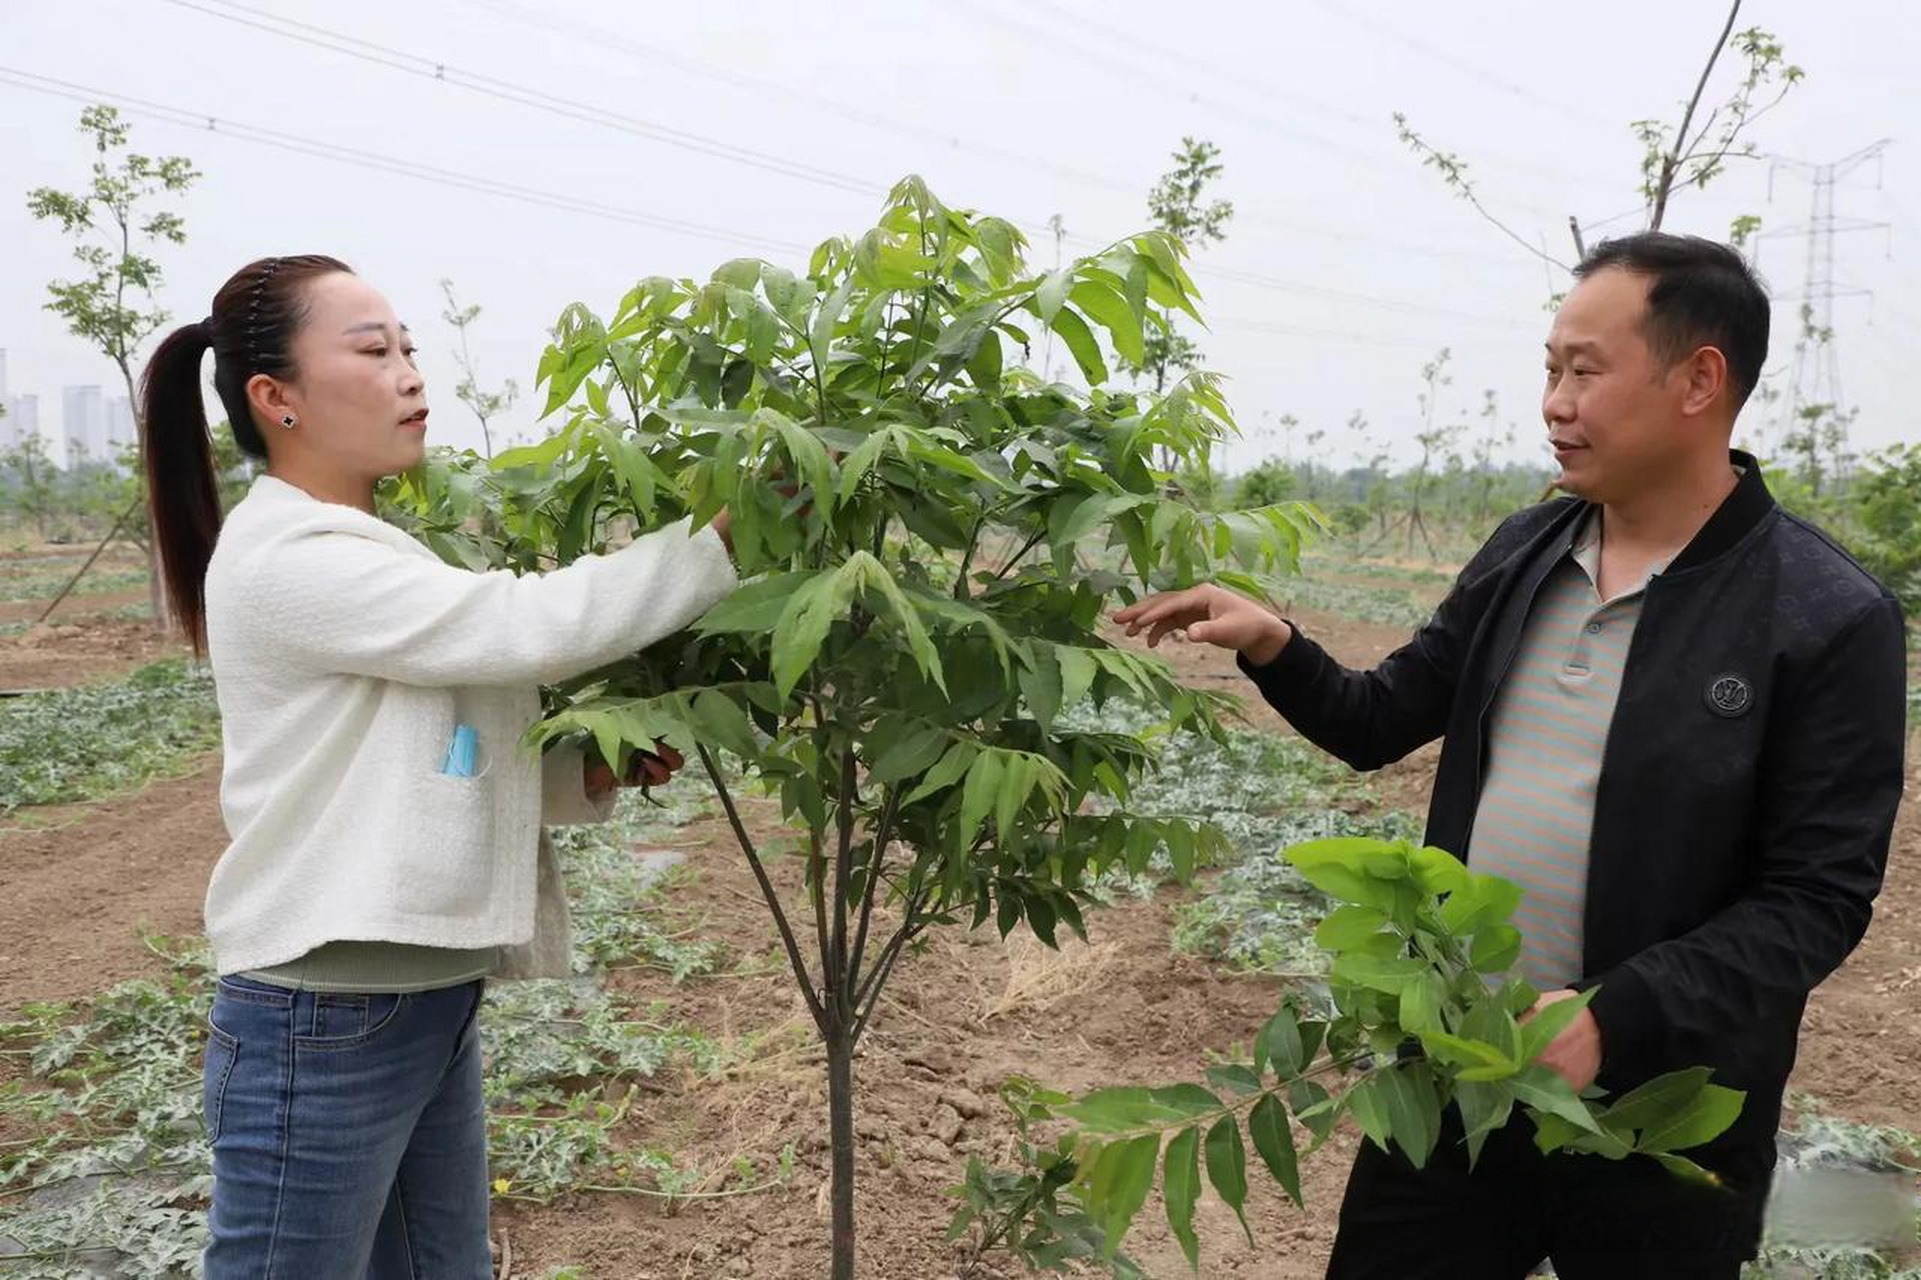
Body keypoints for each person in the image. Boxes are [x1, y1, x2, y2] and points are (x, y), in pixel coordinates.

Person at [1115, 233, 1906, 1277]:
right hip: (1455, 1064)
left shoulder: (1822, 614)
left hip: (1658, 1121)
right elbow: (1379, 716)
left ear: (1697, 380)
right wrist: (1275, 642)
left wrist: (1614, 1016)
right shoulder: (1527, 554)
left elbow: (1816, 898)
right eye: (1549, 368)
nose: (1554, 400)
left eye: (1584, 369)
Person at [139, 254, 743, 1277]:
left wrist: (581, 774)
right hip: (321, 1015)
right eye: (373, 351)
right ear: (274, 397)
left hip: (420, 995)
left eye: (410, 348)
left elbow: (435, 744)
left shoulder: (369, 545)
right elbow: (517, 625)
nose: (411, 373)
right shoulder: (289, 555)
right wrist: (722, 539)